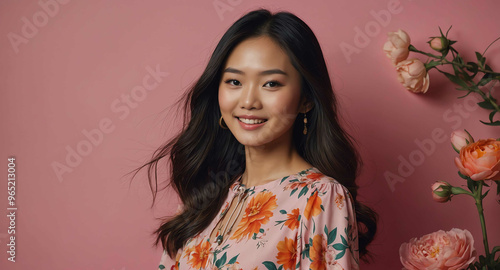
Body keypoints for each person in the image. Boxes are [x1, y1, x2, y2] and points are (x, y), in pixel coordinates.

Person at [132, 8, 377, 269]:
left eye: (271, 84)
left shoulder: (321, 198)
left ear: (306, 98)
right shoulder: (205, 195)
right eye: (234, 82)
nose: (248, 101)